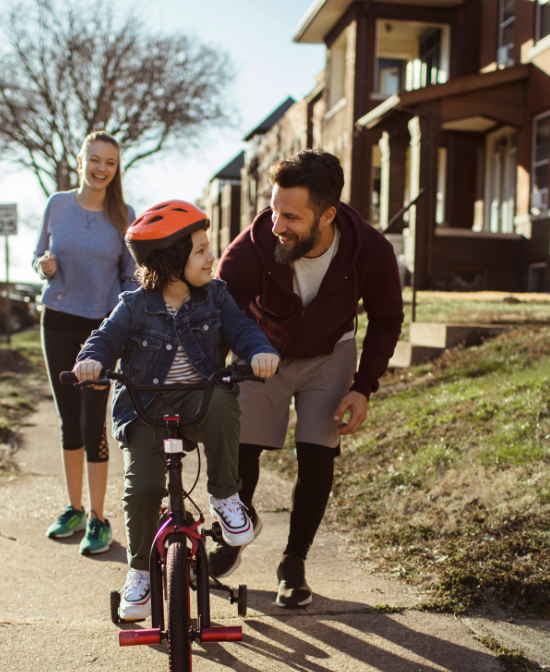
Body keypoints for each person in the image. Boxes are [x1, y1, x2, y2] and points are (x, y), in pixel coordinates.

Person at [73, 201, 280, 621]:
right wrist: (90, 362)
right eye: (201, 250)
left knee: (224, 399)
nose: (211, 257)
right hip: (144, 406)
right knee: (145, 488)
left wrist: (259, 351)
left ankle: (224, 496)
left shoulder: (216, 297)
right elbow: (103, 339)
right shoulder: (133, 305)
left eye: (209, 248)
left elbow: (243, 329)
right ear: (170, 262)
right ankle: (140, 572)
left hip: (196, 398)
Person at [215, 149, 404, 608]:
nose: (277, 224)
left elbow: (386, 318)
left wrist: (363, 387)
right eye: (275, 209)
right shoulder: (254, 243)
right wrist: (216, 367)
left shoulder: (370, 251)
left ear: (328, 215)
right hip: (263, 350)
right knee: (243, 445)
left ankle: (293, 563)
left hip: (329, 353)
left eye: (292, 216)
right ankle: (236, 531)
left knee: (318, 453)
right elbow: (220, 306)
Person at [33, 131, 137, 556]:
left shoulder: (124, 214)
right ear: (81, 162)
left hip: (100, 331)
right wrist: (44, 265)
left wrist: (127, 318)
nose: (101, 168)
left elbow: (131, 275)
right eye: (94, 160)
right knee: (68, 419)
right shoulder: (57, 204)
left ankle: (98, 517)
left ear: (116, 169)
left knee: (94, 420)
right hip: (57, 320)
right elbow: (38, 254)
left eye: (109, 162)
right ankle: (72, 508)